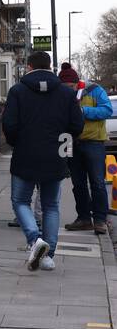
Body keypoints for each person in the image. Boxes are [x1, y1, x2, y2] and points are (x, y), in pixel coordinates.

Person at [2, 52, 85, 271]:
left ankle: (34, 239)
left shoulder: (17, 91)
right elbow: (77, 126)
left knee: (20, 201)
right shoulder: (66, 94)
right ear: (50, 67)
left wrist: (18, 143)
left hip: (25, 154)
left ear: (29, 67)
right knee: (51, 205)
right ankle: (48, 256)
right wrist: (64, 145)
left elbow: (9, 125)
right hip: (56, 155)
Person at [58, 63, 113, 235]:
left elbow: (107, 110)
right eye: (65, 88)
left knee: (97, 182)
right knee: (78, 183)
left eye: (71, 87)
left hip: (93, 142)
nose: (68, 90)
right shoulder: (62, 96)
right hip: (71, 142)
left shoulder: (95, 90)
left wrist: (83, 111)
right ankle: (83, 218)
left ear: (77, 83)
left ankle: (100, 220)